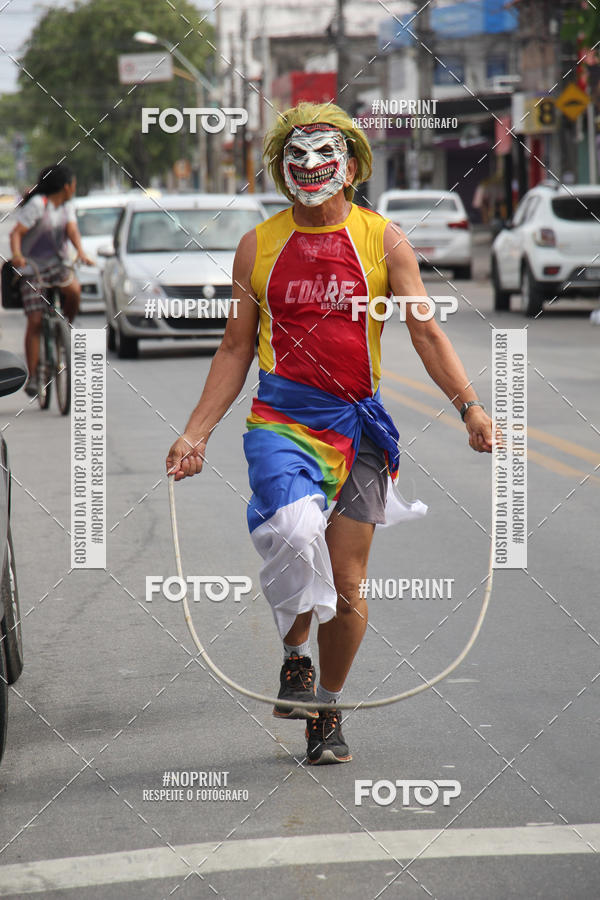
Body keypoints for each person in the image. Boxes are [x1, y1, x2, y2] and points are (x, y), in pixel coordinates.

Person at [166, 102, 493, 765]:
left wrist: (470, 407)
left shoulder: (383, 240)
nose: (309, 167)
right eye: (297, 156)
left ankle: (326, 705)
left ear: (349, 167)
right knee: (292, 532)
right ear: (283, 170)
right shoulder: (259, 244)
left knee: (347, 582)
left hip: (360, 426)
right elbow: (234, 348)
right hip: (282, 422)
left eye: (324, 155)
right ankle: (295, 655)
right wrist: (194, 433)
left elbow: (425, 330)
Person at [9, 163, 93, 396]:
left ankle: (64, 327)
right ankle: (35, 376)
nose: (74, 187)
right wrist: (17, 256)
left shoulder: (67, 207)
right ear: (66, 186)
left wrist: (81, 252)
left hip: (58, 265)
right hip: (33, 268)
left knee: (74, 290)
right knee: (35, 321)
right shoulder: (38, 205)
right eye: (73, 183)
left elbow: (73, 231)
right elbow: (16, 233)